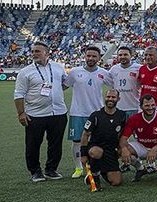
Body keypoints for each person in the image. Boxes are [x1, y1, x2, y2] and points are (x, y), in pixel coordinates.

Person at [14, 41, 69, 182]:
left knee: (55, 144)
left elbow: (64, 84)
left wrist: (54, 93)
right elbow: (19, 94)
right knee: (33, 144)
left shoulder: (58, 67)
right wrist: (21, 113)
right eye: (33, 51)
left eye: (37, 51)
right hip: (35, 114)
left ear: (47, 53)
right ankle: (35, 171)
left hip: (58, 113)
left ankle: (51, 170)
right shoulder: (25, 72)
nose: (34, 54)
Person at [64, 46, 113, 179]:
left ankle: (98, 166)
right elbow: (63, 86)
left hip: (97, 113)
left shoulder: (104, 73)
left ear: (98, 58)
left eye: (94, 56)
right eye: (88, 56)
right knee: (76, 141)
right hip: (78, 112)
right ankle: (78, 168)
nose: (90, 58)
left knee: (98, 141)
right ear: (85, 57)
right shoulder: (74, 72)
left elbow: (115, 86)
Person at [120, 94, 157, 182]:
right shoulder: (134, 118)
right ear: (141, 107)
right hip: (142, 146)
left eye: (153, 105)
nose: (150, 108)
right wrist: (123, 149)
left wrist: (155, 148)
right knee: (122, 150)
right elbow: (124, 138)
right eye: (147, 105)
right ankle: (140, 168)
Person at [80, 89, 127, 189]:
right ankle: (94, 176)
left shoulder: (122, 115)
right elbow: (85, 135)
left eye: (113, 97)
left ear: (118, 99)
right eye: (108, 97)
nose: (110, 99)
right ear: (105, 98)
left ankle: (103, 171)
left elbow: (122, 134)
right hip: (95, 147)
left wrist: (121, 148)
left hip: (110, 150)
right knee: (97, 152)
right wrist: (83, 154)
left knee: (116, 181)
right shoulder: (95, 116)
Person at [109, 46, 141, 113]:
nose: (123, 57)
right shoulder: (113, 69)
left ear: (131, 55)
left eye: (125, 54)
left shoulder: (139, 68)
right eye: (120, 55)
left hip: (134, 107)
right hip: (118, 108)